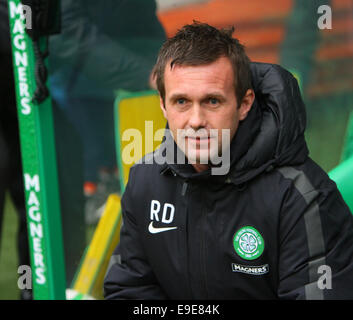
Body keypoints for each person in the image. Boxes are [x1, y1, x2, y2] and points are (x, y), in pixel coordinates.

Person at [104, 22, 353, 299]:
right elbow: (129, 290)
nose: (196, 121)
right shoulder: (144, 181)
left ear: (244, 104)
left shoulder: (301, 196)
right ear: (163, 104)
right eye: (181, 102)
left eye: (212, 101)